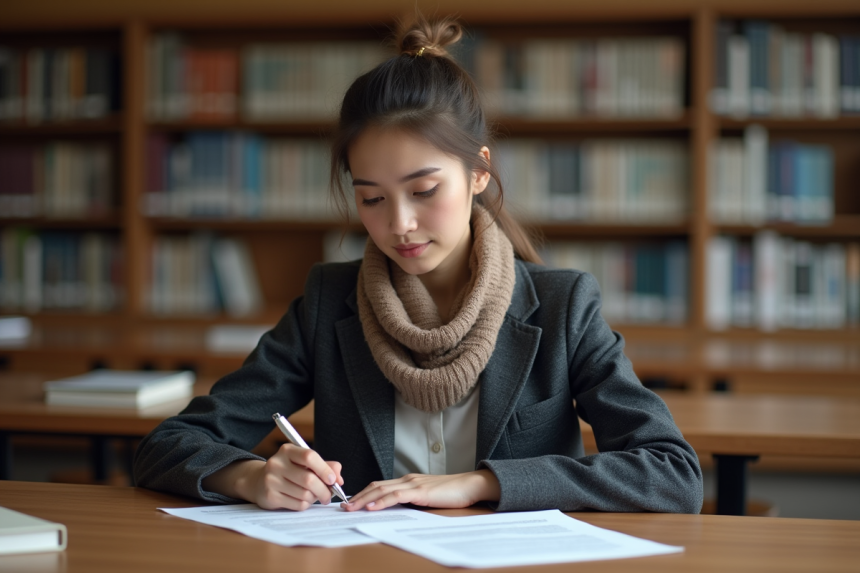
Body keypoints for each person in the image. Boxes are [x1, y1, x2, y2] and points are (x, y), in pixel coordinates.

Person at [134, 15, 703, 515]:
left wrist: (481, 484)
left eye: (424, 190)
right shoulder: (328, 303)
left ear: (479, 172)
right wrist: (250, 477)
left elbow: (672, 473)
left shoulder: (563, 307)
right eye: (372, 198)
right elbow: (169, 444)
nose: (399, 223)